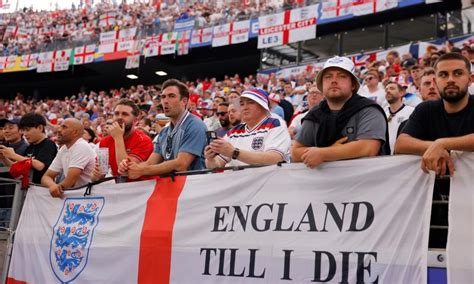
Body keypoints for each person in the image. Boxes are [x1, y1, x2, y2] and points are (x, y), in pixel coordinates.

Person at [292, 56, 389, 168]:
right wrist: (331, 152)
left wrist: (323, 153)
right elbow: (295, 152)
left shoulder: (369, 110)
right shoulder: (315, 114)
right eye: (328, 77)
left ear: (353, 84)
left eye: (341, 76)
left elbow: (369, 148)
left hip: (365, 183)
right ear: (322, 86)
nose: (334, 80)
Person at [395, 52, 474, 177]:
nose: (450, 80)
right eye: (443, 75)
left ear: (470, 79)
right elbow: (401, 144)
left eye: (458, 73)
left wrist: (442, 144)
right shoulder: (425, 109)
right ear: (435, 81)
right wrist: (432, 147)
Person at [118, 79, 207, 179]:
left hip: (195, 188)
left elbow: (181, 164)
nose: (165, 101)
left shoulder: (195, 124)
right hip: (175, 188)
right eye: (163, 97)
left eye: (171, 96)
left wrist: (142, 170)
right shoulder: (164, 131)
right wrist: (130, 168)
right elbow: (150, 162)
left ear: (184, 101)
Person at [204, 88, 291, 168]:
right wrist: (211, 159)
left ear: (263, 106)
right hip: (240, 182)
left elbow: (275, 159)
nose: (245, 107)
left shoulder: (276, 124)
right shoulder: (234, 132)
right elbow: (217, 165)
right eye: (241, 104)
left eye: (250, 102)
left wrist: (234, 152)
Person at [93, 99, 153, 180]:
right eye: (116, 114)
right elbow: (97, 176)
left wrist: (118, 137)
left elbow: (126, 171)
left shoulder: (144, 140)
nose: (119, 117)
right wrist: (96, 175)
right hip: (120, 188)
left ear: (135, 121)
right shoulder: (105, 141)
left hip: (142, 188)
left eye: (125, 114)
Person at [42, 118, 96, 198]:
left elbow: (70, 182)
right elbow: (46, 177)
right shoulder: (64, 149)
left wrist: (56, 188)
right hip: (81, 196)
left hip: (92, 196)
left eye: (64, 127)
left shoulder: (81, 146)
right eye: (60, 126)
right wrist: (52, 185)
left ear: (75, 132)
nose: (59, 130)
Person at [0, 113, 57, 184]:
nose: (25, 134)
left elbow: (40, 166)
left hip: (43, 189)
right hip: (30, 189)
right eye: (23, 130)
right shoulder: (30, 147)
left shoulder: (48, 144)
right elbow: (16, 167)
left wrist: (13, 155)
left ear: (40, 128)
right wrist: (4, 158)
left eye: (27, 130)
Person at [383, 81, 414, 154]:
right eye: (386, 89)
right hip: (386, 157)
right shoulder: (383, 113)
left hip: (404, 156)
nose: (388, 91)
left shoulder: (411, 112)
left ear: (401, 93)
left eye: (392, 88)